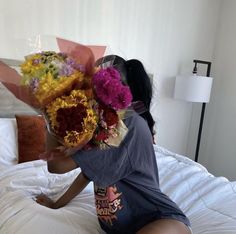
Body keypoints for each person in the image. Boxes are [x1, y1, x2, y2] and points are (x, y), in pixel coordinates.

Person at [36, 55, 192, 234]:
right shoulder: (103, 126)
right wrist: (56, 205)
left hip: (160, 219)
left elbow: (57, 166)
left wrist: (51, 112)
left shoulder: (126, 124)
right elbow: (88, 173)